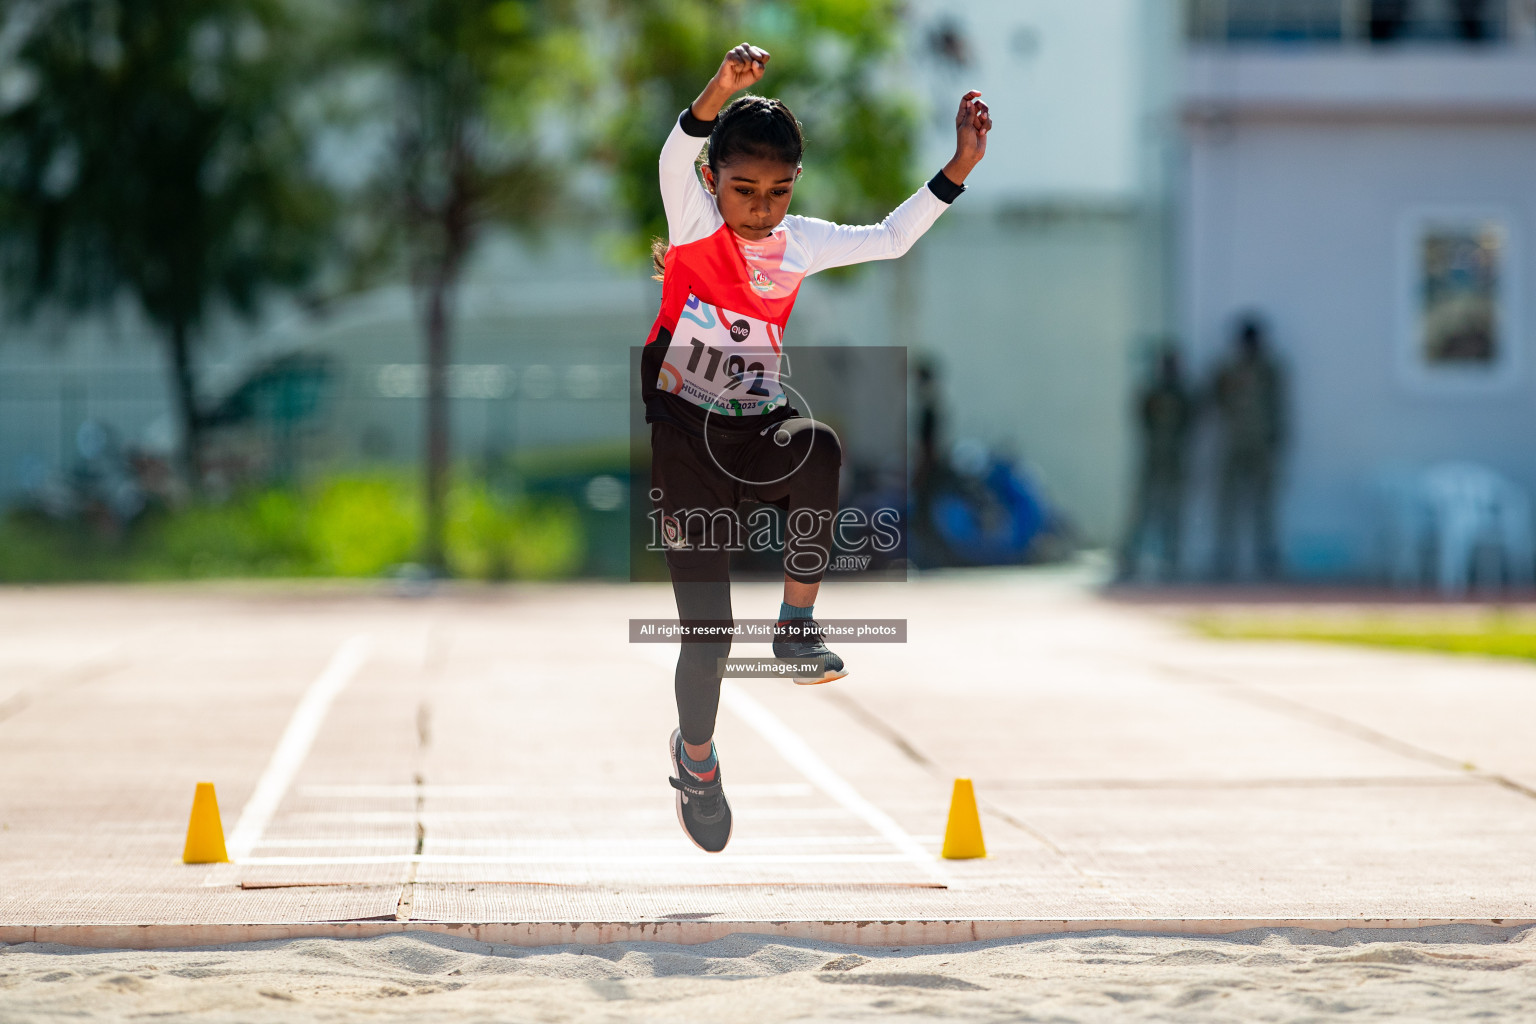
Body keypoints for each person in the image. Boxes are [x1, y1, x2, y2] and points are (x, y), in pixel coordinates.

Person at [645, 42, 990, 852]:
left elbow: (893, 237)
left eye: (776, 191)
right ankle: (696, 760)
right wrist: (720, 89)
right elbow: (676, 147)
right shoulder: (693, 221)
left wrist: (959, 166)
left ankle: (796, 626)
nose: (760, 207)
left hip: (756, 428)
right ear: (711, 183)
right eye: (743, 190)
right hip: (685, 439)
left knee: (822, 449)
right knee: (708, 636)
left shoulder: (800, 242)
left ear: (795, 185)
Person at [1211, 315, 1286, 581]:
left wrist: (1277, 441)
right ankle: (1223, 560)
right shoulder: (1228, 369)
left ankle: (1266, 561)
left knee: (1263, 506)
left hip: (1262, 444)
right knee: (1227, 503)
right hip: (1234, 442)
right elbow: (1215, 401)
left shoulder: (1270, 370)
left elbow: (1279, 407)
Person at [1118, 346, 1194, 582]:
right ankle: (1129, 560)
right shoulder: (1151, 393)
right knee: (1142, 511)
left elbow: (1191, 422)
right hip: (1152, 458)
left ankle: (1171, 562)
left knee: (1173, 512)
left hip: (1174, 460)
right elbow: (1140, 417)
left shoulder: (1183, 394)